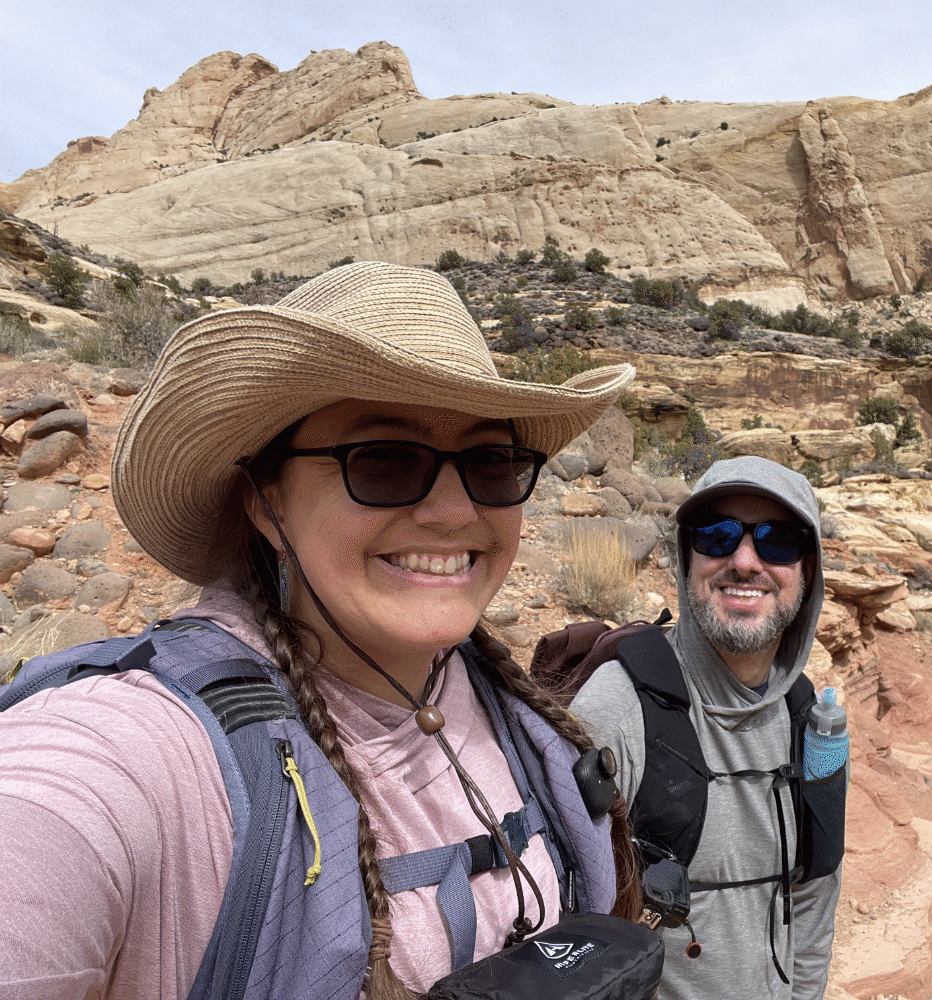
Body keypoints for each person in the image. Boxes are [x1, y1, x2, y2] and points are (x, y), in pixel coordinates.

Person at [0, 261, 640, 999]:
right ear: (266, 503)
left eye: (490, 463)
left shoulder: (502, 704)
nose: (452, 511)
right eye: (386, 460)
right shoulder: (133, 750)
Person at [570, 456, 842, 1000]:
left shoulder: (812, 717)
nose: (744, 561)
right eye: (717, 537)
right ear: (686, 559)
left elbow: (815, 887)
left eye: (778, 541)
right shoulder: (618, 707)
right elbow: (567, 931)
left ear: (807, 571)